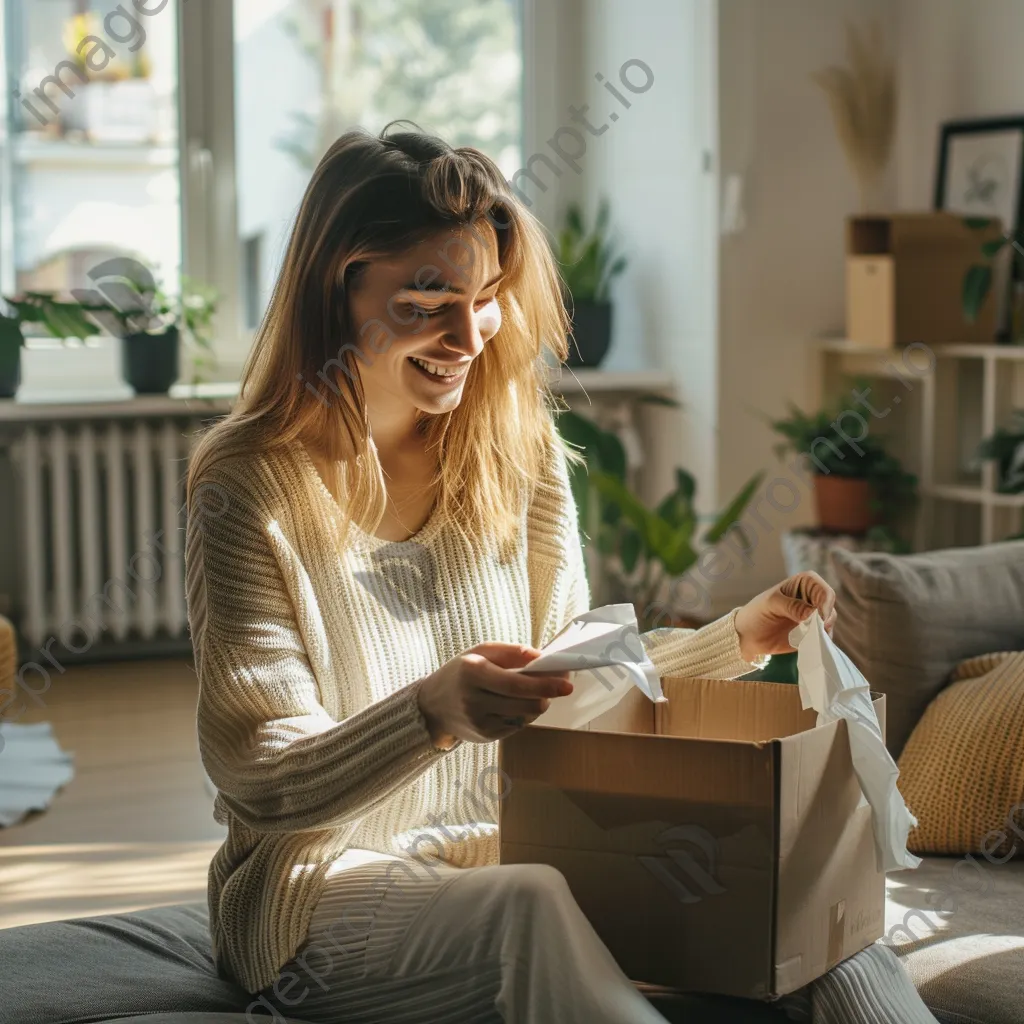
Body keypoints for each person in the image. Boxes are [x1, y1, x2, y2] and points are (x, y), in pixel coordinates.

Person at [184, 123, 934, 1024]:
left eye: (487, 295)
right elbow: (260, 776)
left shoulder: (515, 449)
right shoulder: (248, 483)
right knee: (530, 909)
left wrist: (731, 642)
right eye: (428, 298)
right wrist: (431, 714)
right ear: (336, 290)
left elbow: (576, 678)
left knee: (799, 901)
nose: (470, 334)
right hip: (316, 891)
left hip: (526, 844)